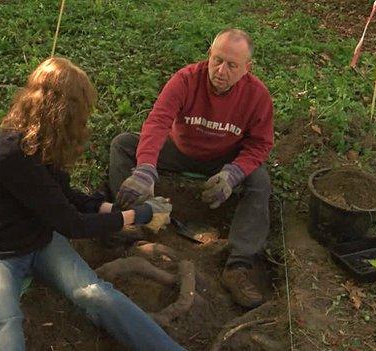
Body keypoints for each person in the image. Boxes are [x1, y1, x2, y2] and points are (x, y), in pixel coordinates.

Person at [0, 57, 184, 351]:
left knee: (96, 294)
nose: (82, 121)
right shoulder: (10, 154)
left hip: (40, 241)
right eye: (79, 113)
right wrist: (138, 215)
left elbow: (63, 194)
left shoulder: (42, 142)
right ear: (60, 111)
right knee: (4, 323)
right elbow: (72, 223)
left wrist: (109, 209)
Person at [109, 28, 274, 309]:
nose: (221, 70)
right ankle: (130, 223)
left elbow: (260, 145)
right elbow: (158, 121)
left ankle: (238, 265)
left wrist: (233, 173)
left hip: (223, 158)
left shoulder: (257, 96)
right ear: (209, 55)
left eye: (232, 65)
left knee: (260, 181)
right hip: (180, 150)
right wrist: (146, 169)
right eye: (217, 60)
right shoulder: (186, 79)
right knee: (123, 144)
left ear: (247, 68)